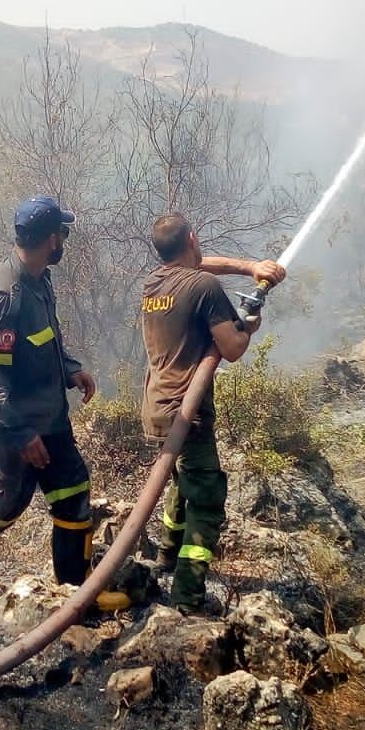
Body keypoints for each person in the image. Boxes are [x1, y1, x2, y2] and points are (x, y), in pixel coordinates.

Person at [0, 196, 131, 612]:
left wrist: (70, 369)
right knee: (0, 504)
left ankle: (76, 590)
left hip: (48, 417)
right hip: (6, 423)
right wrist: (20, 432)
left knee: (72, 490)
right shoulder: (3, 294)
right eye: (62, 233)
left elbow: (44, 341)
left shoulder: (40, 280)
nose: (65, 240)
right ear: (51, 239)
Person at [140, 212, 286, 614]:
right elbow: (233, 349)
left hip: (156, 408)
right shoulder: (203, 287)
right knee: (205, 502)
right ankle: (186, 597)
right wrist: (249, 323)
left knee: (179, 483)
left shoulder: (154, 283)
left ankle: (167, 556)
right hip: (187, 413)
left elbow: (200, 266)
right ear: (192, 238)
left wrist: (251, 268)